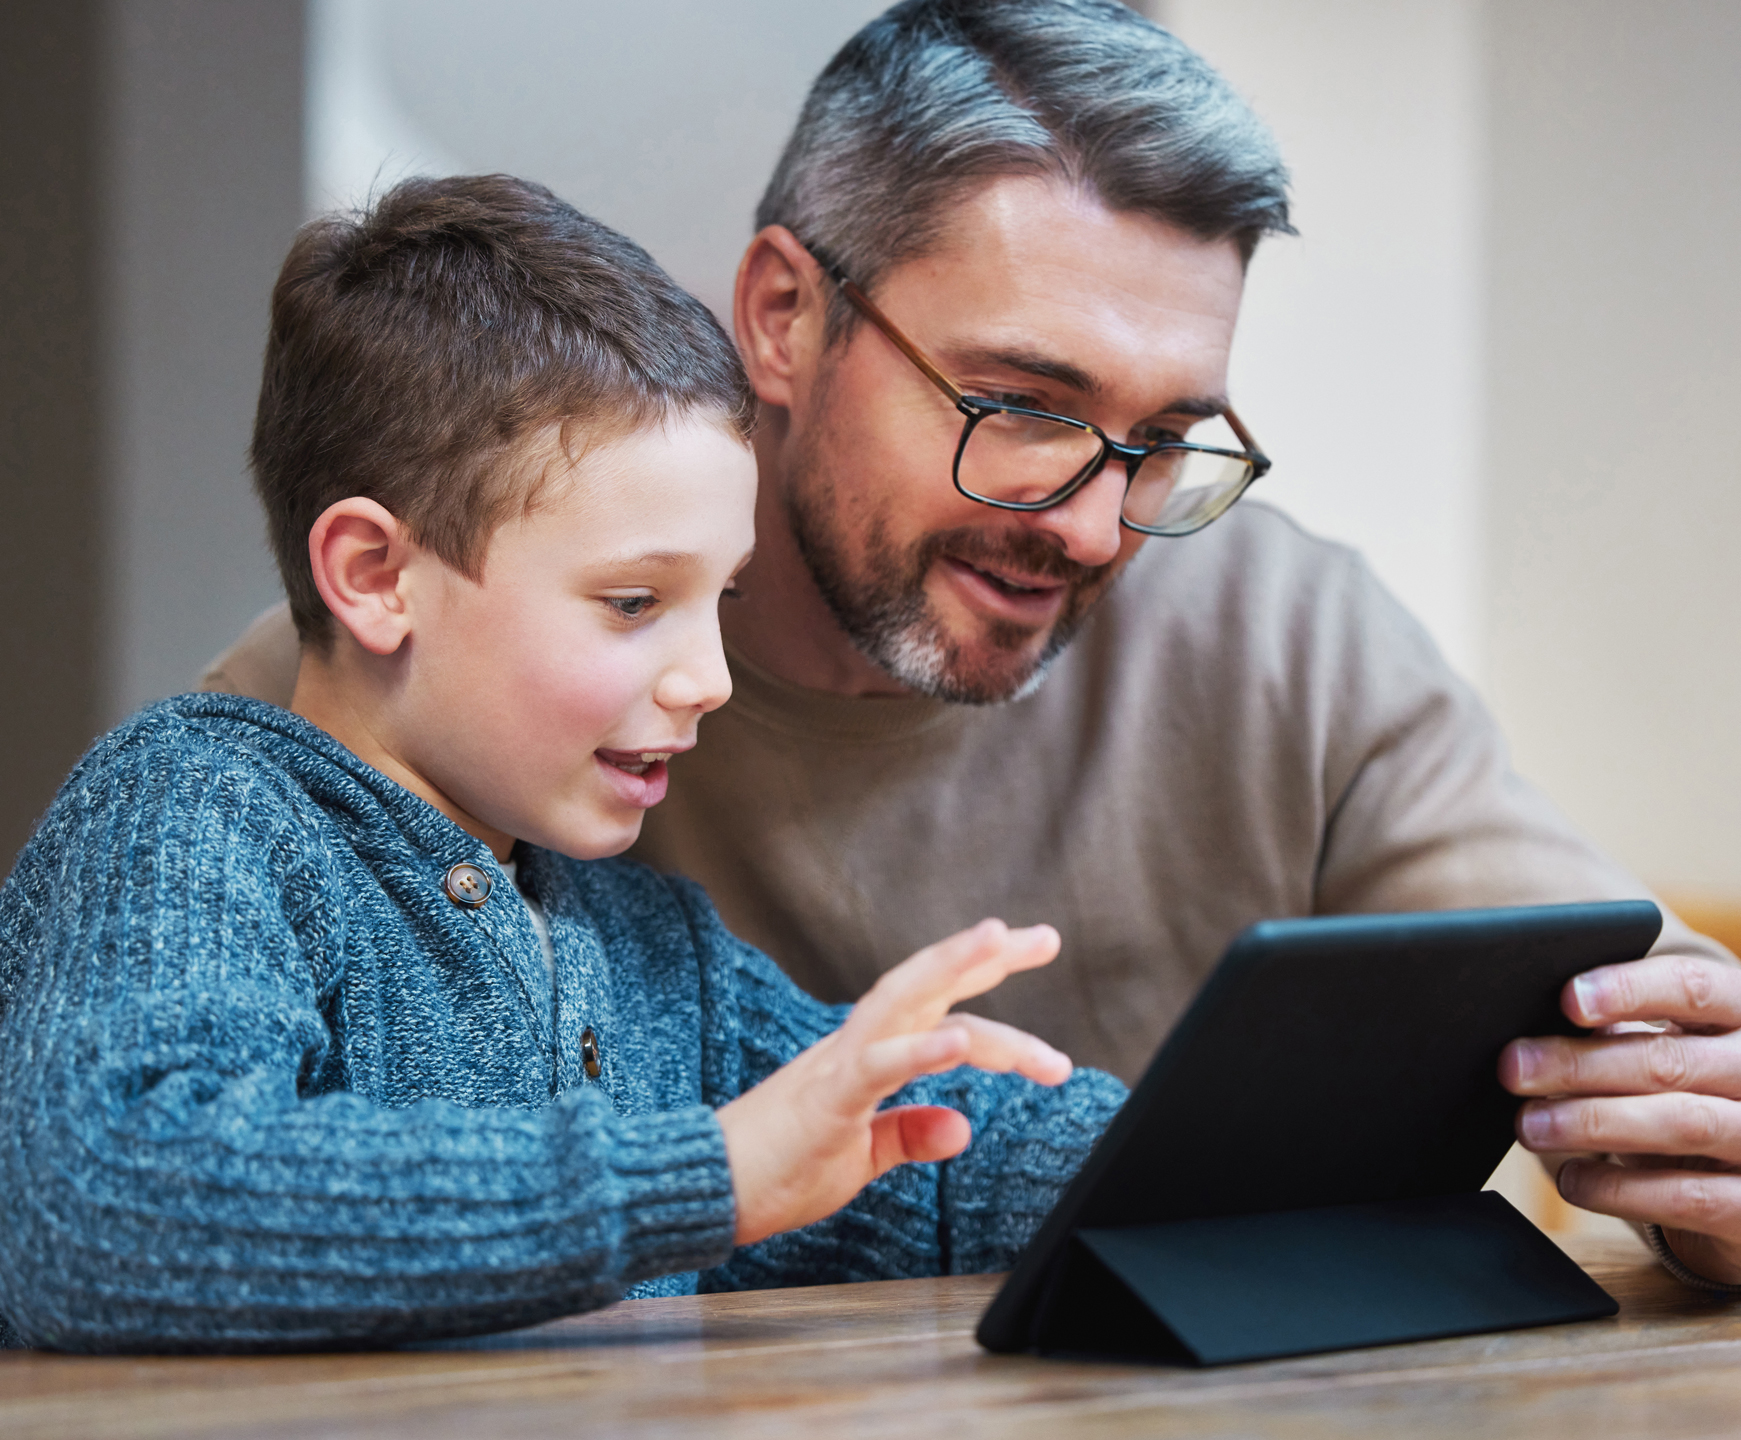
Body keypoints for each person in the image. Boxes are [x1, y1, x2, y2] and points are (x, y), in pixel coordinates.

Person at [204, 1, 1741, 1291]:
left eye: (1169, 438)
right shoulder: (415, 684)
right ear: (785, 317)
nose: (1094, 523)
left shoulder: (1278, 635)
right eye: (1022, 409)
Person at [0, 174, 1125, 1353]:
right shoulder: (197, 811)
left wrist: (1227, 1152)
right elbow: (105, 1201)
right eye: (634, 601)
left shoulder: (652, 956)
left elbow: (931, 1155)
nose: (710, 680)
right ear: (378, 575)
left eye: (717, 602)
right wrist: (707, 1176)